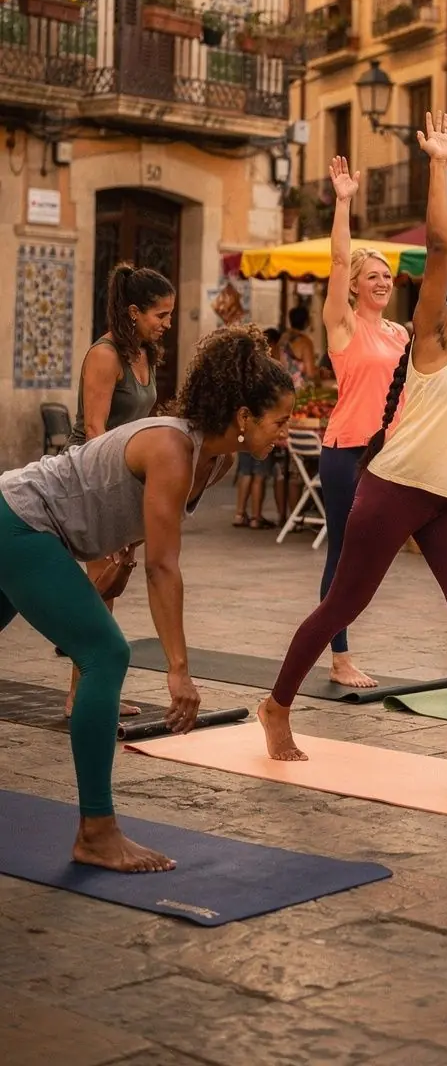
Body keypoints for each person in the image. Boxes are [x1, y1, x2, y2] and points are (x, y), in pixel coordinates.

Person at [257, 113, 447, 799]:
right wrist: (438, 162)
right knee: (341, 604)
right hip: (391, 483)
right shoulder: (429, 330)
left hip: (446, 498)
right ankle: (277, 705)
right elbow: (439, 247)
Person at [0, 325, 294, 872]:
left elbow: (140, 527)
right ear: (243, 415)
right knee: (106, 654)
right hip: (20, 521)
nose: (285, 432)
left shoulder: (216, 459)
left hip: (30, 527)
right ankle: (96, 830)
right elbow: (166, 567)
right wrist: (178, 671)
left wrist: (117, 560)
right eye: (279, 420)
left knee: (99, 649)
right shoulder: (172, 447)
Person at [63, 262, 176, 719]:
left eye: (170, 315)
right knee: (100, 590)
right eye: (160, 316)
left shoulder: (144, 355)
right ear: (133, 312)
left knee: (107, 590)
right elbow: (94, 430)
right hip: (86, 477)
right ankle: (81, 696)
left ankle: (89, 690)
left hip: (123, 476)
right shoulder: (105, 355)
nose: (167, 324)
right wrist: (115, 498)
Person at [318, 155, 409, 688]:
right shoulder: (344, 324)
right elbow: (336, 261)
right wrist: (344, 201)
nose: (383, 281)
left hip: (388, 457)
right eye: (372, 275)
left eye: (388, 275)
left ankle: (337, 638)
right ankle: (339, 654)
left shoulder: (399, 334)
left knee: (372, 553)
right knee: (343, 550)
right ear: (353, 285)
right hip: (346, 452)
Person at [233, 327, 285, 529]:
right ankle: (255, 516)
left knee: (246, 470)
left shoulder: (245, 369)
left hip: (244, 426)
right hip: (261, 426)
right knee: (259, 472)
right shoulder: (270, 370)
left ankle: (239, 513)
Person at [279, 305, 316, 389]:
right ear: (306, 321)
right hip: (299, 390)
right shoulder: (305, 342)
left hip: (283, 388)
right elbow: (310, 373)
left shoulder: (283, 339)